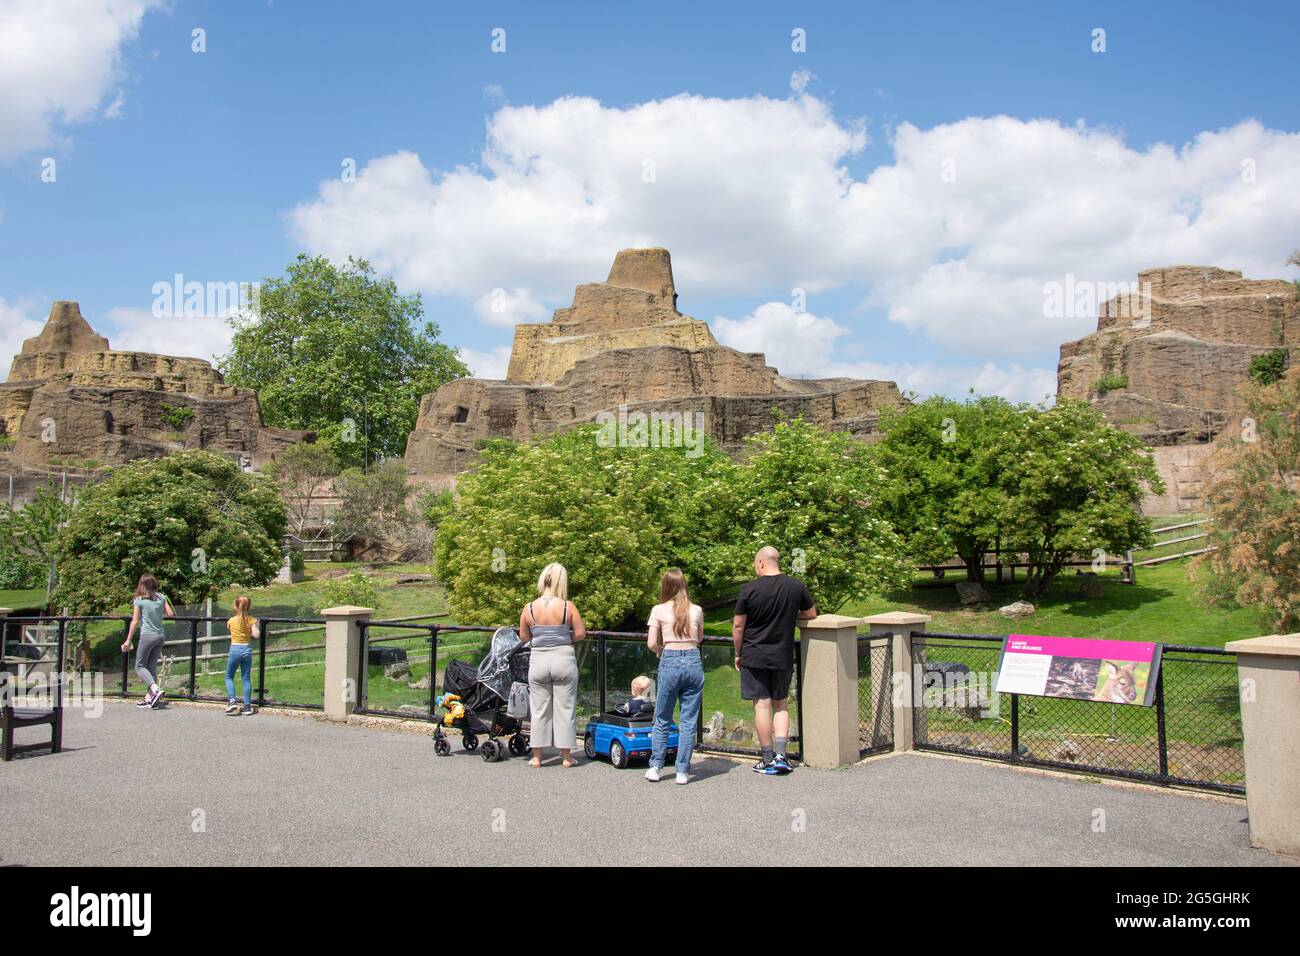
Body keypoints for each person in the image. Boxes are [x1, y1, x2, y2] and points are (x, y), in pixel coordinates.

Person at [733, 547, 816, 775]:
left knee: (762, 705)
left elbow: (739, 625)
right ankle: (782, 756)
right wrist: (790, 615)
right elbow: (811, 614)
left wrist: (738, 653)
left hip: (754, 654)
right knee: (781, 705)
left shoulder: (749, 589)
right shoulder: (795, 586)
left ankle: (767, 757)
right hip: (782, 654)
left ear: (761, 563)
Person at [518, 562, 586, 768]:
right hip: (563, 658)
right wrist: (563, 636)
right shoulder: (568, 606)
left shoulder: (529, 608)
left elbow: (523, 636)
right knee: (565, 708)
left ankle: (537, 756)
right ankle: (566, 757)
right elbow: (581, 633)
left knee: (539, 709)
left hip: (539, 659)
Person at [646, 568, 705, 785]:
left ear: (666, 586)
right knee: (688, 720)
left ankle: (656, 766)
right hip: (692, 660)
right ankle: (682, 771)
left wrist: (661, 649)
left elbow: (651, 643)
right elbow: (699, 638)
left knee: (662, 717)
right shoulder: (696, 610)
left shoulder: (658, 610)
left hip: (669, 658)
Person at [120, 574, 175, 709]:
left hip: (147, 635)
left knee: (139, 666)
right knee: (151, 666)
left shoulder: (139, 600)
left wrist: (128, 640)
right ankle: (149, 697)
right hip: (160, 636)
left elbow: (135, 621)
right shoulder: (161, 597)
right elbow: (170, 614)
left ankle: (155, 689)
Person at [225, 596, 259, 716]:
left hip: (234, 648)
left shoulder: (231, 620)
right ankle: (247, 706)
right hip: (246, 649)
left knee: (229, 676)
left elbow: (229, 628)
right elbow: (256, 635)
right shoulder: (252, 620)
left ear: (235, 606)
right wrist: (253, 629)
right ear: (249, 607)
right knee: (246, 678)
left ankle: (232, 700)